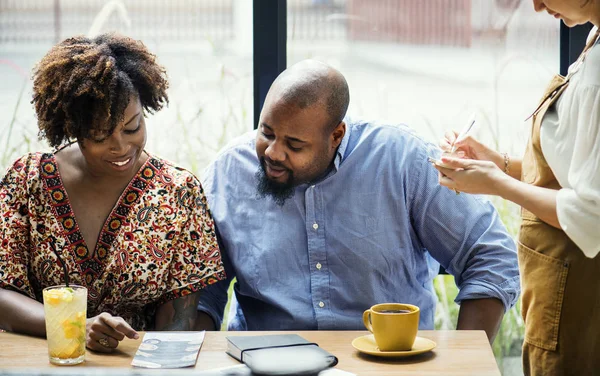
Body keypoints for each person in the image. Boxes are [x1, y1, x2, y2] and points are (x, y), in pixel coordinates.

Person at [197, 59, 520, 343]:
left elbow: (490, 256)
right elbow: (200, 287)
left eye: (295, 145)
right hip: (264, 364)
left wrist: (462, 360)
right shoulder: (228, 171)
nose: (273, 153)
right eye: (266, 133)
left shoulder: (403, 161)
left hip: (390, 365)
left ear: (336, 134)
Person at [0, 33, 225, 352]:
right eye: (100, 135)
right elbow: (3, 295)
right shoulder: (27, 181)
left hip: (137, 363)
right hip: (44, 360)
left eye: (133, 128)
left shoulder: (179, 192)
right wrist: (76, 327)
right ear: (72, 126)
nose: (121, 146)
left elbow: (179, 317)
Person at [433, 1, 600, 374]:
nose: (538, 6)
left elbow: (591, 214)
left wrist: (497, 184)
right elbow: (575, 170)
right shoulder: (593, 38)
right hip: (556, 292)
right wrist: (498, 162)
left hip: (577, 297)